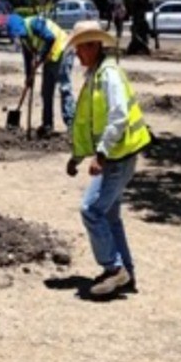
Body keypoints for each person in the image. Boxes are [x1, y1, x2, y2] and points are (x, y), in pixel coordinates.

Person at [64, 20, 152, 298]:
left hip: (117, 155)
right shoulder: (96, 74)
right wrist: (77, 156)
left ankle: (114, 270)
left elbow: (118, 117)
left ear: (93, 45)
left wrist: (100, 155)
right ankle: (125, 272)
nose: (77, 55)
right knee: (110, 216)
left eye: (80, 48)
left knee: (91, 209)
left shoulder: (109, 75)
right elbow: (90, 121)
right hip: (116, 153)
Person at [7, 13, 75, 134]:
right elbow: (27, 58)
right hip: (50, 56)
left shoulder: (34, 24)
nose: (20, 37)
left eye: (20, 34)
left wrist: (40, 57)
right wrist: (29, 78)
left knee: (64, 88)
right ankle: (47, 125)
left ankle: (71, 124)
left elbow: (50, 37)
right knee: (46, 91)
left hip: (63, 49)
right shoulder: (23, 37)